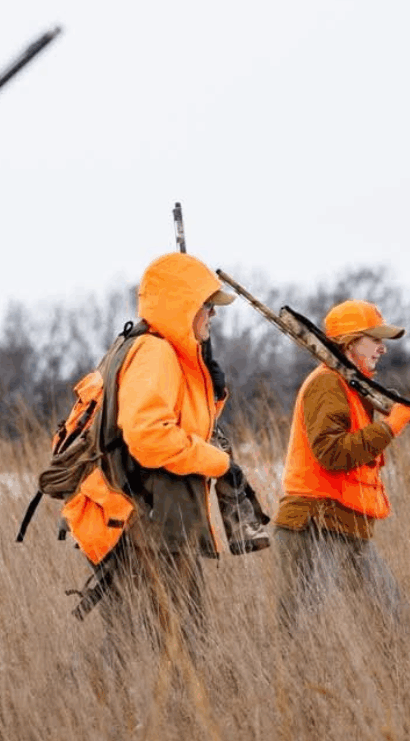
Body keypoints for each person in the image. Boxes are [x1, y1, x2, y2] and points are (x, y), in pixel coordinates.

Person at [98, 251, 265, 658]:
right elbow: (150, 437)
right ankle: (180, 716)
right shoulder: (156, 353)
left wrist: (214, 390)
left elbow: (179, 423)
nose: (212, 315)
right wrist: (217, 462)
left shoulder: (150, 348)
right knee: (179, 651)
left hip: (153, 521)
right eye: (205, 306)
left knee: (134, 645)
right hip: (154, 523)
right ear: (183, 306)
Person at [272, 299, 410, 629]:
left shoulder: (353, 387)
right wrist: (390, 426)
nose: (382, 349)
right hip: (314, 525)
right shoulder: (327, 383)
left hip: (346, 526)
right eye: (375, 339)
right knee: (301, 632)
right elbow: (331, 453)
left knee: (395, 621)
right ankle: (283, 682)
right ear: (350, 342)